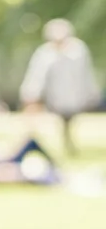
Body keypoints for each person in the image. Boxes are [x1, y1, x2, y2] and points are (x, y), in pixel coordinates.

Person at [20, 18, 101, 155]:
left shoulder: (78, 51)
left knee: (68, 120)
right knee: (59, 120)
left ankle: (67, 142)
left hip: (73, 96)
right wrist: (31, 93)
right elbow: (37, 76)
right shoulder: (45, 54)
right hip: (54, 97)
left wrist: (92, 93)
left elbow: (86, 74)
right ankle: (52, 142)